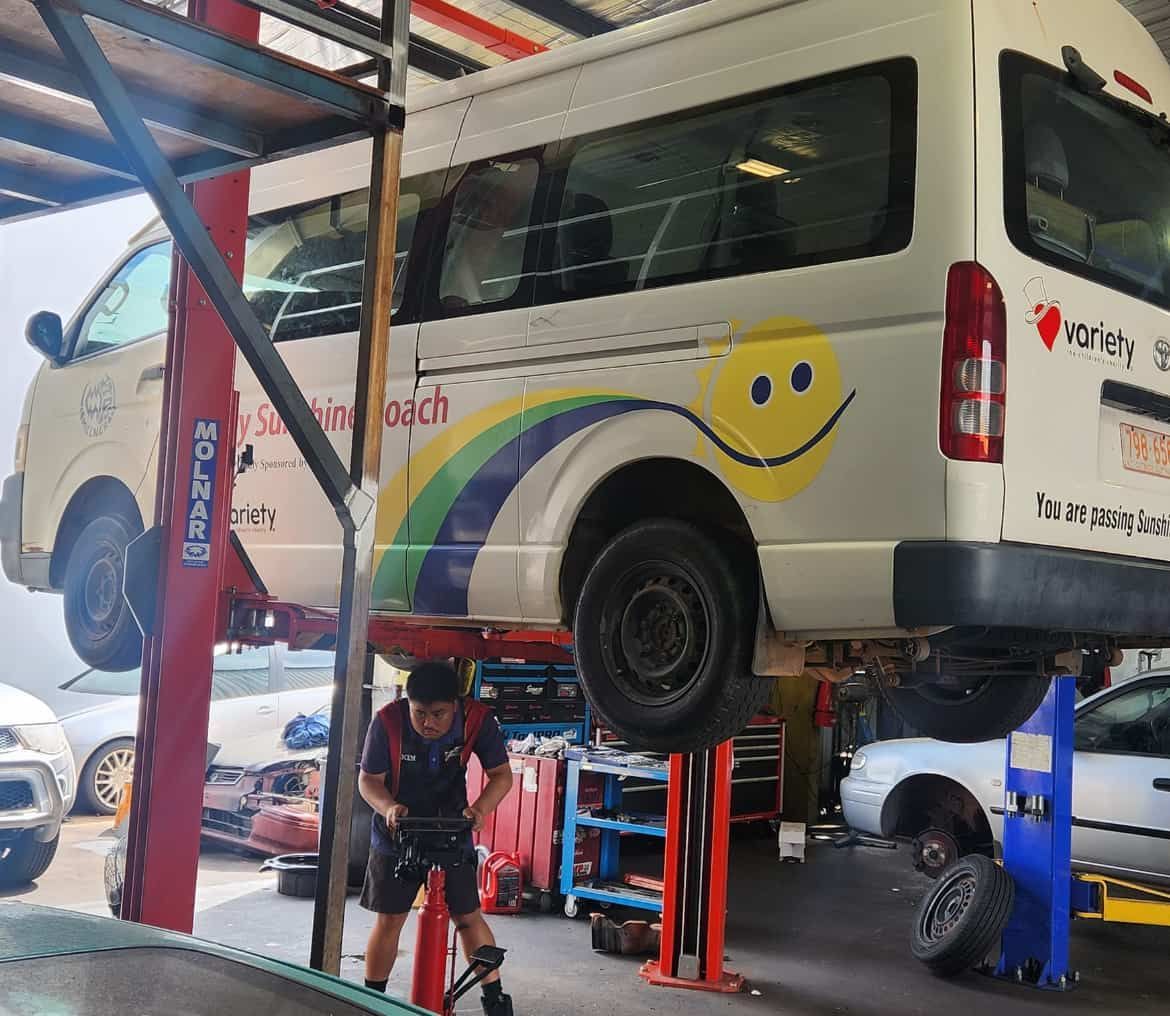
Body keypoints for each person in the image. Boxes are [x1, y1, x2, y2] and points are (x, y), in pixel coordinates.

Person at [358, 660, 515, 1015]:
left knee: (468, 917)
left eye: (439, 714)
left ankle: (496, 1002)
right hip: (397, 832)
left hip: (452, 830)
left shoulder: (478, 719)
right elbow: (368, 781)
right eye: (420, 713)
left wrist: (480, 809)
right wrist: (388, 807)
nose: (429, 722)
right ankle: (371, 1002)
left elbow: (502, 776)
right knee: (390, 918)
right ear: (408, 704)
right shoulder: (386, 721)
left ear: (456, 705)